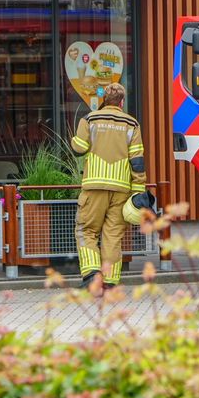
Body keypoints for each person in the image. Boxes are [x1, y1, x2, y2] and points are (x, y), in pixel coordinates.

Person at [70, 82, 147, 291]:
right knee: (113, 235)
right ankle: (110, 282)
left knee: (87, 231)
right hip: (121, 188)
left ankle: (91, 275)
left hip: (94, 186)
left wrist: (75, 138)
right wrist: (139, 189)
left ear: (105, 100)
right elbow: (137, 159)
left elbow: (79, 148)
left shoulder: (90, 119)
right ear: (122, 102)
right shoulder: (132, 124)